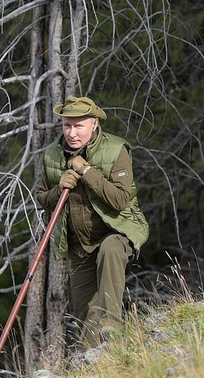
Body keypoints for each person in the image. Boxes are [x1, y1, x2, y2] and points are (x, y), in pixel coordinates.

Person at [36, 96, 149, 348]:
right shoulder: (53, 155)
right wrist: (58, 189)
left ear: (94, 124)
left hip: (117, 230)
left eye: (79, 126)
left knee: (110, 249)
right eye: (67, 126)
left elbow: (120, 199)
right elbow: (43, 197)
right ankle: (95, 367)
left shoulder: (116, 150)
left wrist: (87, 173)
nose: (72, 133)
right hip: (80, 244)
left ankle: (112, 326)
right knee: (85, 318)